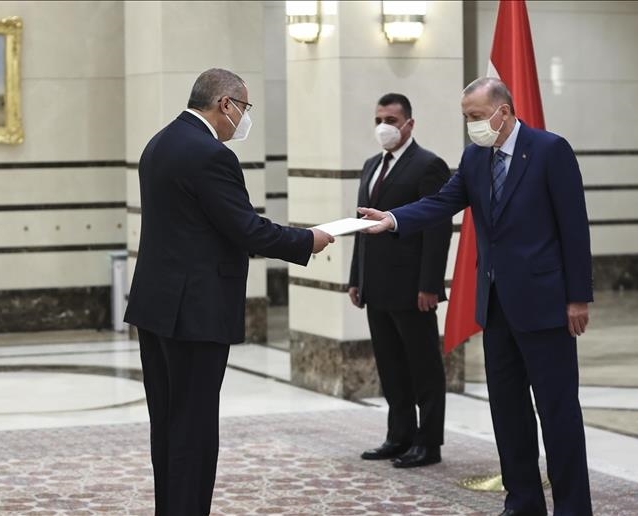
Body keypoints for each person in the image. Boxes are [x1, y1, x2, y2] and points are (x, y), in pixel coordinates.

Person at [360, 77, 593, 516]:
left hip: (545, 305)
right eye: (466, 117)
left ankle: (573, 508)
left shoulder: (550, 150)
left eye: (477, 116)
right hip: (496, 305)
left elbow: (574, 227)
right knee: (507, 412)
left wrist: (578, 297)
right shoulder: (474, 157)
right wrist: (393, 219)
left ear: (503, 111)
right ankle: (522, 502)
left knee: (557, 412)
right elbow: (440, 202)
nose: (471, 125)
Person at [124, 68, 334, 515]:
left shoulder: (160, 142)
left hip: (156, 306)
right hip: (194, 312)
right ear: (225, 104)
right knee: (195, 429)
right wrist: (307, 240)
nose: (244, 118)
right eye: (244, 107)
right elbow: (246, 228)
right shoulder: (211, 155)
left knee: (168, 424)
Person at [348, 93, 452, 469]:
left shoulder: (428, 165)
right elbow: (362, 226)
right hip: (376, 287)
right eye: (379, 119)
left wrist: (430, 285)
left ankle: (429, 442)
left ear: (409, 123)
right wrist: (356, 277)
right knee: (391, 367)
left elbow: (437, 228)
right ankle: (399, 435)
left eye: (391, 120)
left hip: (412, 289)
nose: (384, 127)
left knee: (423, 368)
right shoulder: (371, 165)